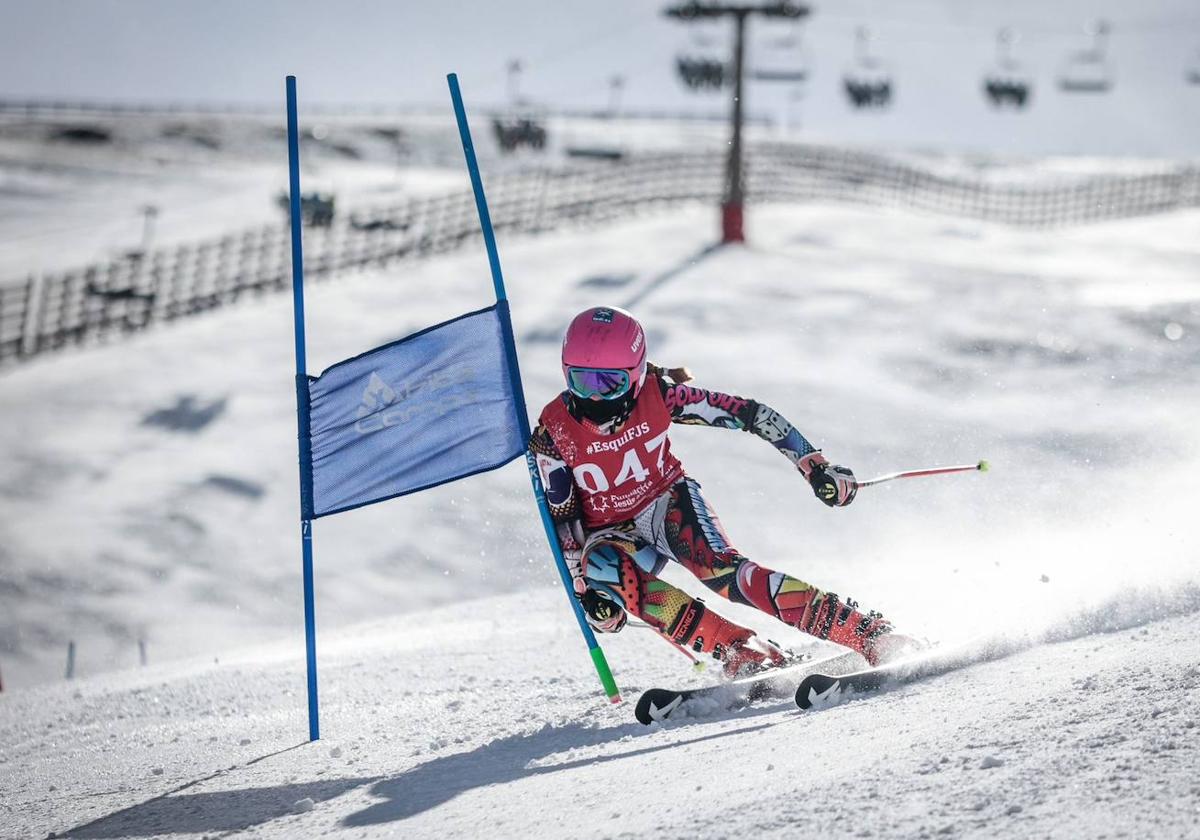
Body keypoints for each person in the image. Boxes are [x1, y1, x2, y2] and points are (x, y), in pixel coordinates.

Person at [530, 305, 918, 677]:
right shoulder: (555, 433)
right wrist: (591, 593)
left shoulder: (658, 395)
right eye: (582, 381)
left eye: (610, 384)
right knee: (601, 565)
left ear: (634, 375)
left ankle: (867, 633)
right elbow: (564, 521)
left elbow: (750, 414)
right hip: (614, 534)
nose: (595, 398)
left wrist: (813, 464)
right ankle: (743, 650)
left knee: (725, 573)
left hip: (667, 504)